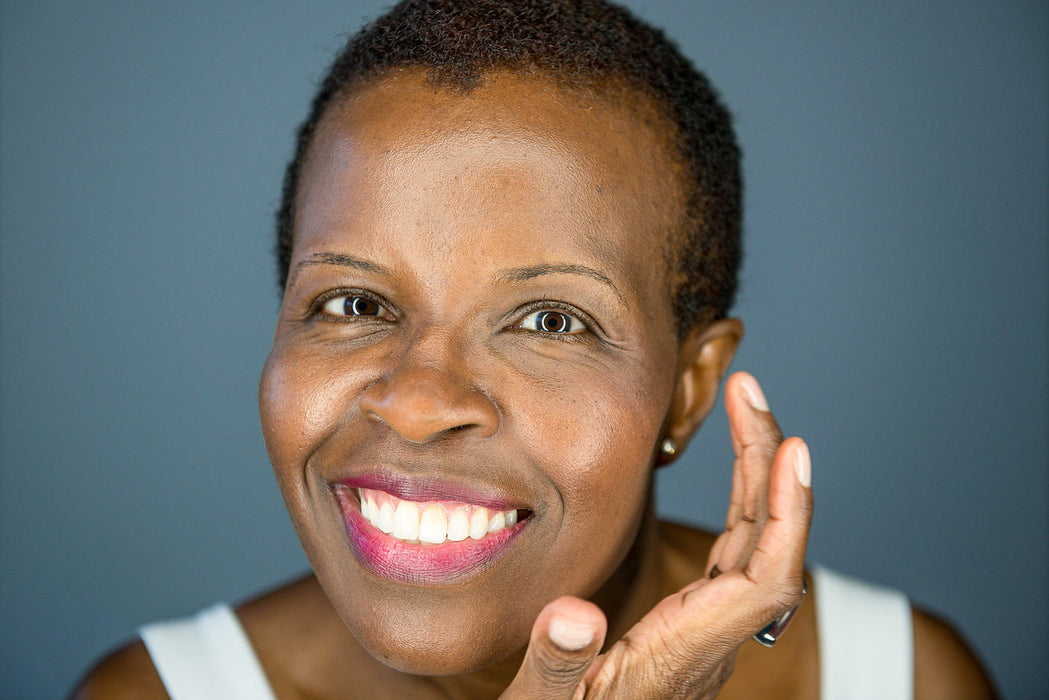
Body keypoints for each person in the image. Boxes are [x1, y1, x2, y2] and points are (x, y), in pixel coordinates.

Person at [71, 1, 997, 697]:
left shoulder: (897, 678)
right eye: (353, 301)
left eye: (552, 320)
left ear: (686, 388)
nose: (420, 402)